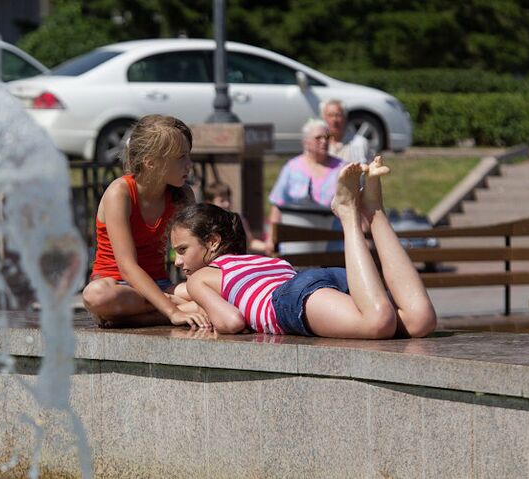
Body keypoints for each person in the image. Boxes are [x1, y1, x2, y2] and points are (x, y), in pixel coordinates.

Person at [170, 157, 437, 338]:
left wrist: (201, 309)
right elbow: (175, 294)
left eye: (182, 250)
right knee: (420, 320)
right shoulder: (254, 261)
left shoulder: (201, 278)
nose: (178, 262)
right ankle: (375, 211)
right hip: (317, 280)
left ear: (213, 242)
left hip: (290, 298)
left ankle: (348, 214)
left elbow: (231, 321)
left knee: (377, 322)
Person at [82, 114, 210, 329]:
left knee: (214, 289)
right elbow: (127, 267)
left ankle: (135, 318)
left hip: (160, 287)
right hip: (118, 287)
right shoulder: (120, 193)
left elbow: (194, 252)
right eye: (181, 157)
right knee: (96, 296)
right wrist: (173, 311)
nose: (189, 165)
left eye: (189, 155)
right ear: (150, 162)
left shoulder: (182, 194)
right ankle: (169, 310)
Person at [264, 119, 345, 254]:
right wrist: (271, 238)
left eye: (327, 137)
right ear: (306, 141)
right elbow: (277, 205)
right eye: (318, 138)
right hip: (296, 245)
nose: (324, 141)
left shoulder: (341, 168)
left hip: (333, 245)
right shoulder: (292, 168)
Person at [203, 181, 266, 254]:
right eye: (222, 201)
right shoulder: (205, 222)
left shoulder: (237, 220)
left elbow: (250, 243)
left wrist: (268, 247)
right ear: (209, 203)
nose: (227, 204)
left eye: (228, 200)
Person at [321, 98, 371, 164]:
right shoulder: (319, 144)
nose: (334, 120)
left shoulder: (360, 143)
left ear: (345, 117)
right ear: (323, 118)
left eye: (338, 115)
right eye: (330, 115)